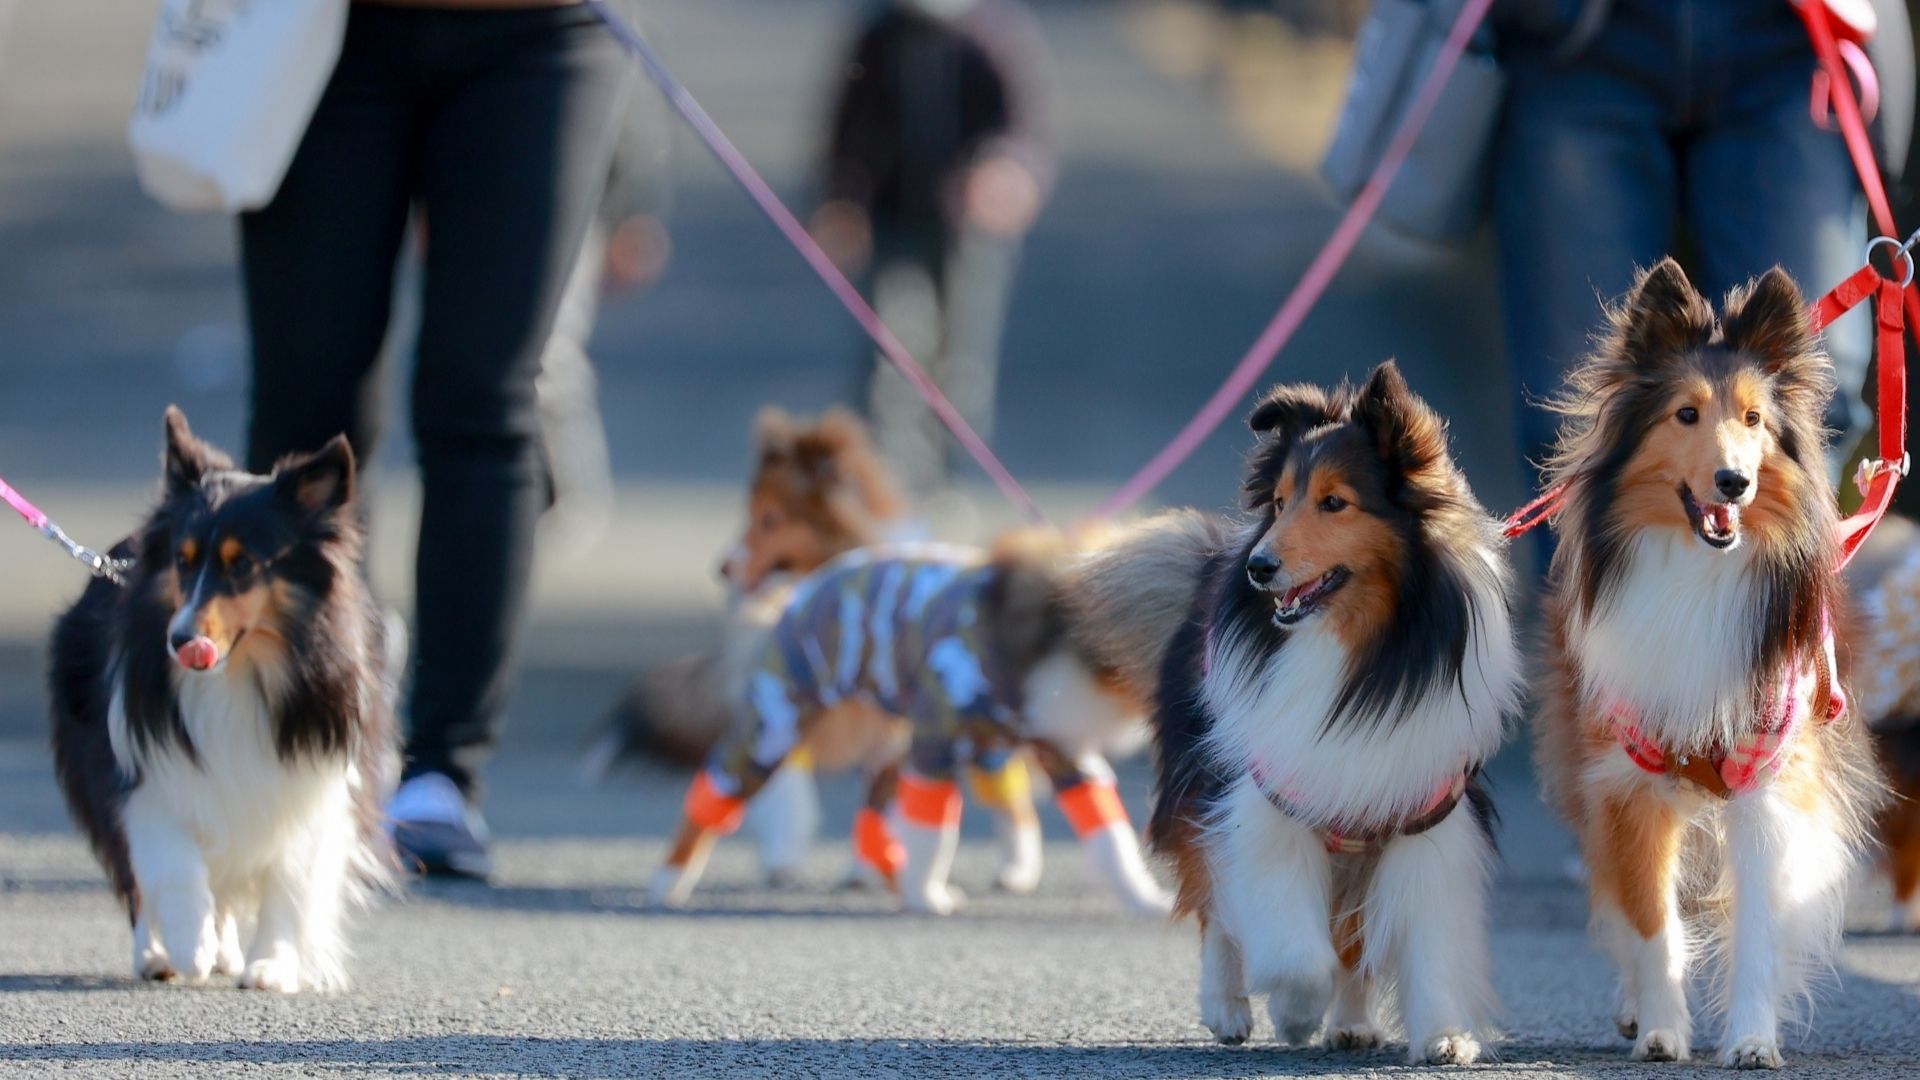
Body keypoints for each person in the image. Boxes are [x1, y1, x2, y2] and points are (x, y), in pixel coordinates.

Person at [240, 0, 635, 879]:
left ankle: (444, 774)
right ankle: (314, 744)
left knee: (487, 400)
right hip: (323, 37)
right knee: (307, 422)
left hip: (543, 32)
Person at [1494, 0, 1914, 555]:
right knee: (1570, 410)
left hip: (1789, 42)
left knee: (1815, 397)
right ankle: (1585, 632)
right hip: (1577, 38)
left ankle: (1777, 626)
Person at [811, 0, 1055, 500]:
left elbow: (1024, 131)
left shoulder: (996, 35)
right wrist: (842, 199)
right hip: (893, 219)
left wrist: (1004, 174)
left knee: (962, 357)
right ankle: (885, 486)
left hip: (970, 227)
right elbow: (848, 128)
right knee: (888, 350)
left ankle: (951, 483)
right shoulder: (881, 35)